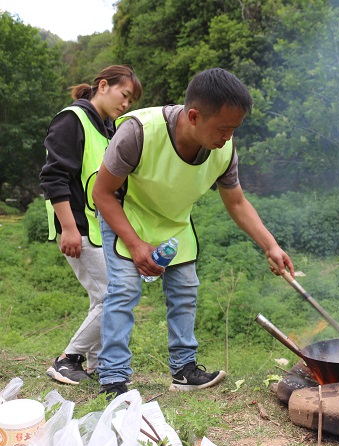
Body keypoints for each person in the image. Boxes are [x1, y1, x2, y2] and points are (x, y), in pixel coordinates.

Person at [92, 68, 294, 398]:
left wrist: (270, 246)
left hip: (175, 222)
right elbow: (102, 194)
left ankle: (184, 370)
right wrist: (135, 244)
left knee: (185, 290)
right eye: (224, 128)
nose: (228, 137)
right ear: (195, 116)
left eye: (234, 129)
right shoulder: (138, 132)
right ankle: (113, 376)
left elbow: (238, 203)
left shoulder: (223, 151)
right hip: (127, 214)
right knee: (125, 290)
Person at [40, 65, 142, 385]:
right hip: (79, 226)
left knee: (103, 297)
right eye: (123, 95)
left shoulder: (106, 129)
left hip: (98, 229)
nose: (126, 105)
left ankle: (98, 363)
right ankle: (68, 359)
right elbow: (54, 177)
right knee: (114, 294)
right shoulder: (72, 119)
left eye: (131, 101)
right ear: (102, 86)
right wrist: (68, 228)